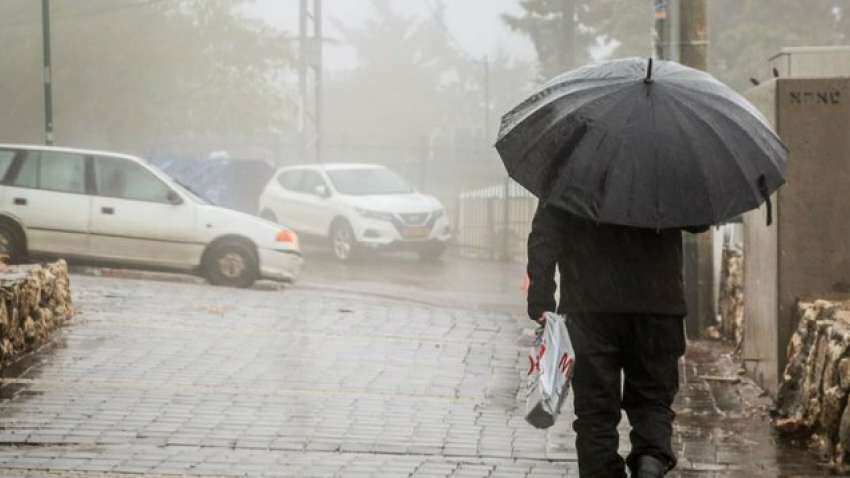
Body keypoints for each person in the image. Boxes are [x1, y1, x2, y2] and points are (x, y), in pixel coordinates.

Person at [527, 202, 703, 478]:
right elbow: (698, 219)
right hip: (656, 307)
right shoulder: (666, 165)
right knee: (652, 402)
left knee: (595, 414)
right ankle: (649, 464)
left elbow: (546, 234)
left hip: (590, 308)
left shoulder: (572, 165)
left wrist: (541, 298)